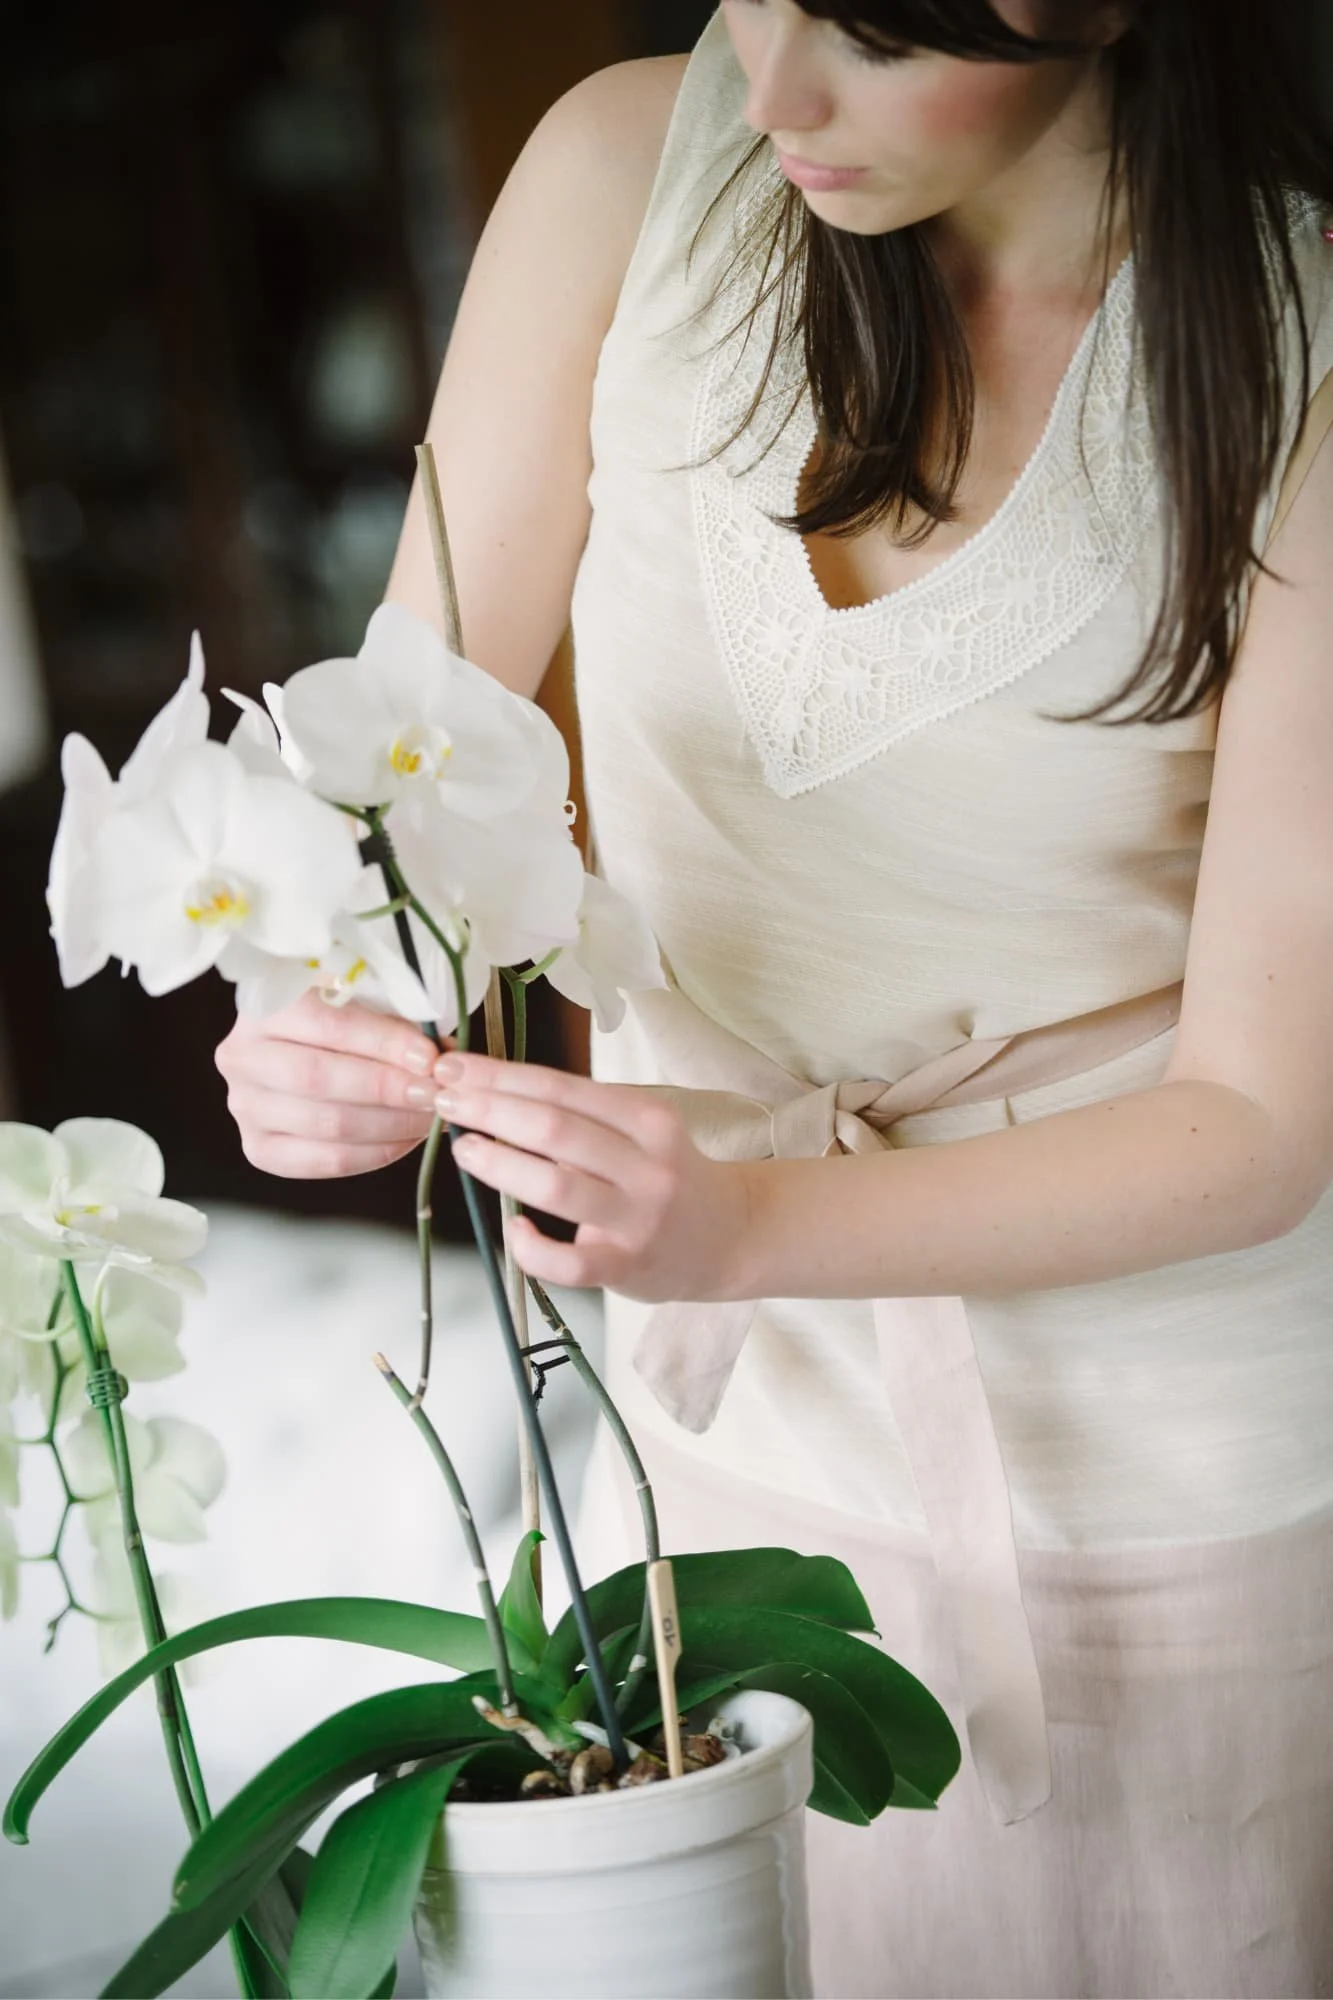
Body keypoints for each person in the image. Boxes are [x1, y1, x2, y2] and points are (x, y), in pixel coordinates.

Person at [215, 3, 1333, 1992]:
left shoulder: (1305, 363)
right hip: (732, 1429)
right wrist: (327, 998)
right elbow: (414, 742)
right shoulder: (623, 176)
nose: (780, 90)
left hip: (1165, 1472)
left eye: (890, 35)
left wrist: (748, 1223)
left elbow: (1260, 1125)